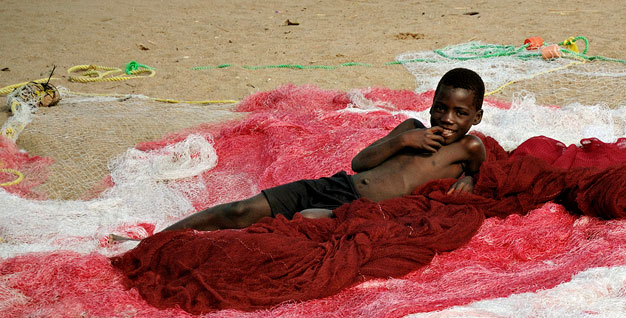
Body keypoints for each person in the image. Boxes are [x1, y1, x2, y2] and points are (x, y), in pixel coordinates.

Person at [158, 68, 486, 233]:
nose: (447, 118)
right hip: (337, 185)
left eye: (460, 113)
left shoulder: (469, 146)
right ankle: (152, 240)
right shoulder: (413, 129)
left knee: (301, 223)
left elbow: (481, 171)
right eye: (440, 108)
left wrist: (470, 180)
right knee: (241, 211)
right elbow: (360, 163)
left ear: (477, 117)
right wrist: (403, 140)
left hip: (359, 209)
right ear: (431, 106)